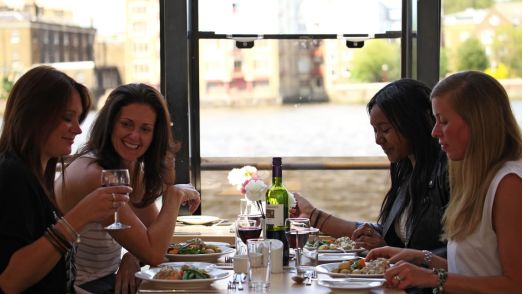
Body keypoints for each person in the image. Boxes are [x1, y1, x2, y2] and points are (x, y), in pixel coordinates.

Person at [367, 71, 521, 293]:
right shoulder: (477, 177)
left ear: (477, 122)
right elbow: (475, 271)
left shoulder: (509, 184)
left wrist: (432, 278)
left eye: (444, 121)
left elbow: (515, 285)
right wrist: (421, 257)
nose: (434, 131)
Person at [55, 83, 201, 294]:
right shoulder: (96, 174)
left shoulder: (127, 168)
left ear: (154, 136)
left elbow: (153, 238)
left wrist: (131, 256)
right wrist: (174, 196)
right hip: (76, 287)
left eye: (145, 129)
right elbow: (154, 254)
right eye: (126, 124)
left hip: (104, 282)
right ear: (110, 124)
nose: (134, 136)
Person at [0, 66, 131, 293]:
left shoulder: (37, 176)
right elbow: (10, 280)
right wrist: (81, 215)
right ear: (33, 114)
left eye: (78, 118)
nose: (78, 130)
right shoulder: (12, 176)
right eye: (67, 117)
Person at [291, 79, 450, 252]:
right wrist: (313, 216)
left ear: (412, 124)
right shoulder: (407, 172)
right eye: (375, 130)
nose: (378, 140)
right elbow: (393, 236)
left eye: (385, 130)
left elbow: (453, 255)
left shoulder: (446, 174)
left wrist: (388, 250)